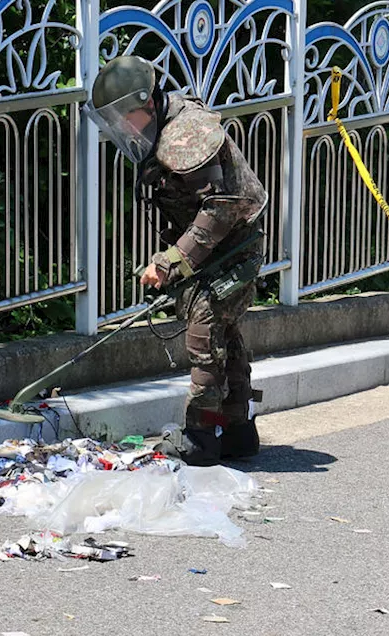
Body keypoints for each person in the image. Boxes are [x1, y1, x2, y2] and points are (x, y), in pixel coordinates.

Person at [85, 55, 267, 466]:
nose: (122, 127)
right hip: (219, 247)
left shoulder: (186, 133)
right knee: (225, 336)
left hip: (233, 246)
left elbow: (220, 209)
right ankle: (238, 430)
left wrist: (170, 261)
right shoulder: (162, 126)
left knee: (204, 337)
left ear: (146, 103)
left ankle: (200, 438)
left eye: (123, 116)